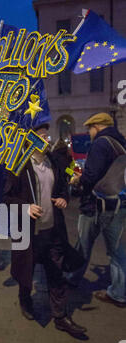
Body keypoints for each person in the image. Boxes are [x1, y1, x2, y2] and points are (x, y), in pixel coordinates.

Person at [3, 123, 87, 338]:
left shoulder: (54, 162)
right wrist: (25, 207)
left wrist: (64, 198)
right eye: (41, 135)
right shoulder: (18, 164)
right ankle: (25, 299)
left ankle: (60, 317)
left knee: (56, 273)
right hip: (29, 234)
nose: (46, 138)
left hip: (53, 230)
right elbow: (6, 198)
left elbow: (62, 188)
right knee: (26, 271)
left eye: (47, 135)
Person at [69, 112, 126, 307]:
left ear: (98, 126)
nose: (89, 132)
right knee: (117, 250)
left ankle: (72, 278)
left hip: (95, 205)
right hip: (118, 203)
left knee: (83, 244)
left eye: (90, 128)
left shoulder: (101, 143)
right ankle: (119, 293)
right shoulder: (121, 143)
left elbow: (91, 175)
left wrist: (77, 180)